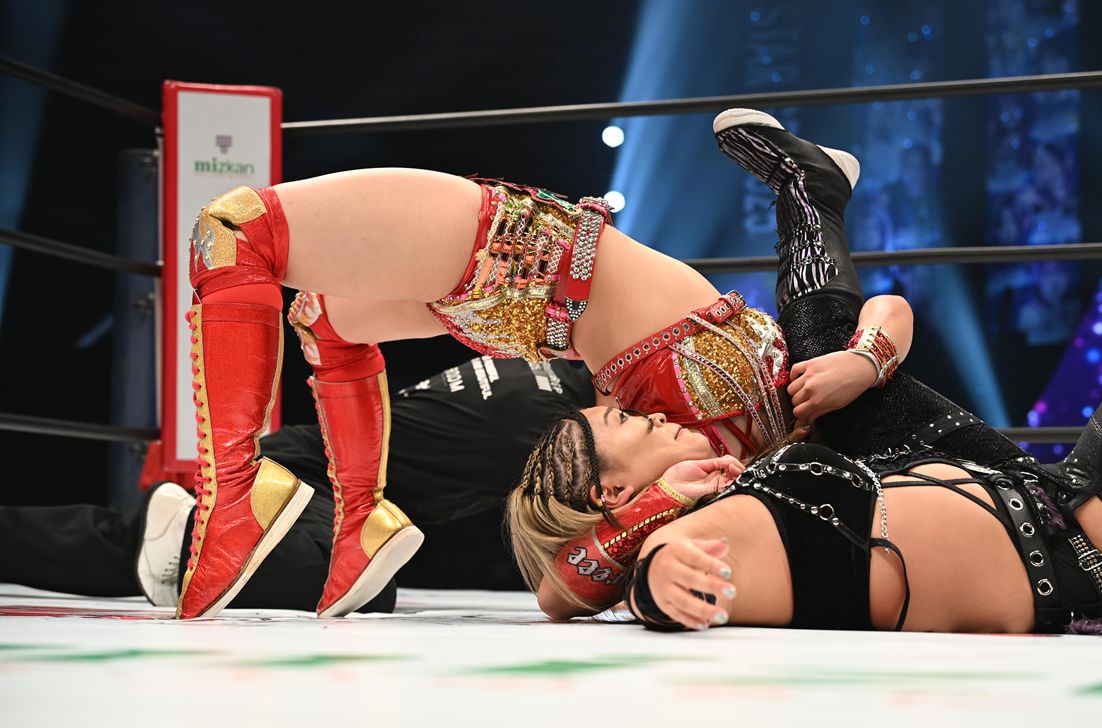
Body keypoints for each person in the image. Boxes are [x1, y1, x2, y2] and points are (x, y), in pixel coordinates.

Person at [178, 105, 917, 619]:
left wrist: (659, 500)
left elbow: (562, 590)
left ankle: (235, 501)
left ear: (615, 493)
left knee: (235, 231)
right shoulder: (812, 426)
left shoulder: (689, 492)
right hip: (528, 295)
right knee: (318, 320)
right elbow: (882, 309)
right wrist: (864, 361)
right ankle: (358, 524)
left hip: (523, 258)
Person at [506, 111, 1102, 628]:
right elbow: (576, 590)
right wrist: (657, 540)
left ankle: (809, 191)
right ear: (612, 490)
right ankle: (809, 192)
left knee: (818, 372)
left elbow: (891, 310)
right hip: (1090, 541)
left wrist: (863, 362)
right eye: (630, 422)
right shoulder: (699, 530)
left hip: (1041, 500)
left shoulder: (741, 477)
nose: (652, 414)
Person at [0, 357, 593, 612]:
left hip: (305, 468)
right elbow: (566, 569)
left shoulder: (536, 369)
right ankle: (191, 548)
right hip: (307, 486)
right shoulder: (556, 430)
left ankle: (190, 538)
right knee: (366, 591)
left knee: (118, 541)